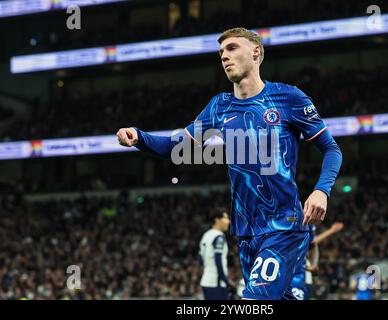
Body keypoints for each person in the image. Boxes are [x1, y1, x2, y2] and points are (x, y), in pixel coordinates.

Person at [116, 27, 342, 299]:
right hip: (246, 230)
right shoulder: (219, 106)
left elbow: (331, 148)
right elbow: (176, 148)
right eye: (221, 52)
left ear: (256, 52)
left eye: (232, 48)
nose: (224, 56)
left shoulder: (288, 98)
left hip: (285, 225)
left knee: (253, 302)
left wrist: (321, 190)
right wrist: (138, 137)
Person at [291, 222, 344, 300]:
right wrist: (331, 230)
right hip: (294, 275)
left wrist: (313, 264)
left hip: (302, 275)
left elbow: (313, 243)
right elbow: (312, 243)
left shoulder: (307, 223)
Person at [199, 209, 234, 300]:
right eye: (225, 218)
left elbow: (200, 258)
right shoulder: (219, 237)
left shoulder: (206, 235)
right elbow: (218, 260)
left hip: (206, 280)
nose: (228, 221)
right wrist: (226, 281)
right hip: (216, 283)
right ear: (217, 220)